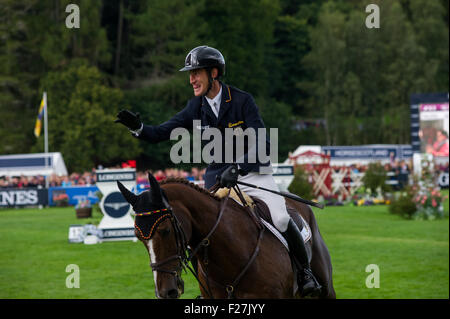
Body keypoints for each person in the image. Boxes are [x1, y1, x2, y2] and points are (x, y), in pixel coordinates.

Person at [115, 45, 321, 296]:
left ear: (214, 73)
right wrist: (138, 127)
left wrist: (238, 166)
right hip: (218, 183)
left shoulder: (242, 100)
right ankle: (208, 287)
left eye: (196, 73)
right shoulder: (195, 108)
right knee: (199, 233)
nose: (191, 79)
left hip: (253, 175)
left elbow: (263, 143)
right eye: (189, 74)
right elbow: (161, 133)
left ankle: (304, 272)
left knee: (280, 217)